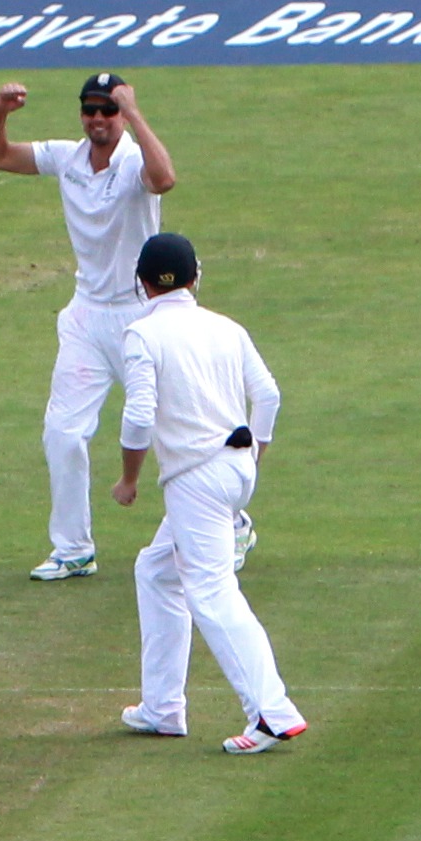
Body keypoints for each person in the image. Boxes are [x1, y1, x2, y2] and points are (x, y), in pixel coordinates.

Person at [0, 76, 246, 581]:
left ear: (120, 115)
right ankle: (73, 548)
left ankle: (234, 521)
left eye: (108, 111)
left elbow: (164, 179)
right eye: (90, 110)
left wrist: (136, 114)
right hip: (86, 316)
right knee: (63, 432)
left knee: (181, 424)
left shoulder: (132, 162)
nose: (98, 119)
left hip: (143, 313)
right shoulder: (66, 157)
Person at [112, 233, 307, 755]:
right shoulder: (226, 328)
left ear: (143, 284)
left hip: (196, 479)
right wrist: (253, 458)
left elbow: (137, 417)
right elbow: (267, 395)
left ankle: (271, 712)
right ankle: (162, 707)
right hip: (234, 468)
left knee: (212, 592)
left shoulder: (142, 335)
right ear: (196, 277)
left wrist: (129, 480)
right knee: (156, 571)